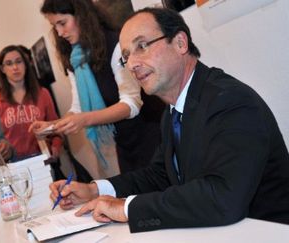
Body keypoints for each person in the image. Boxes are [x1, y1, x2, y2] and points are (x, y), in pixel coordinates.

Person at [48, 7, 289, 233]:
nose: (132, 64)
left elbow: (223, 198)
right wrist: (94, 189)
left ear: (180, 43)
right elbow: (160, 175)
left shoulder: (229, 100)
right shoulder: (173, 112)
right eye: (126, 56)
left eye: (142, 46)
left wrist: (125, 208)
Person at [33, 0, 165, 173]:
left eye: (62, 23)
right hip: (125, 143)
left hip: (153, 134)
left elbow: (131, 104)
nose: (59, 32)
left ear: (81, 15)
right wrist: (52, 126)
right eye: (54, 26)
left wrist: (85, 120)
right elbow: (77, 108)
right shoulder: (73, 59)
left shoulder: (115, 44)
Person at [0, 45, 64, 178]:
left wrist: (56, 146)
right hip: (13, 167)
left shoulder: (42, 94)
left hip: (43, 163)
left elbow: (55, 128)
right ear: (2, 69)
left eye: (19, 61)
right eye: (9, 63)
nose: (15, 67)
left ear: (26, 63)